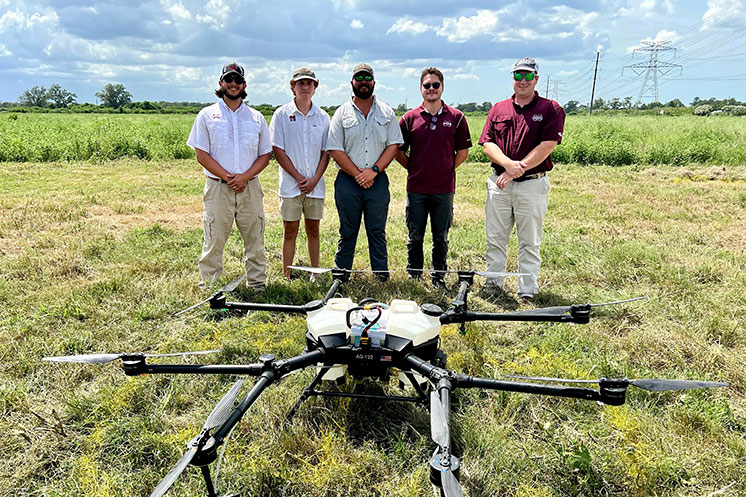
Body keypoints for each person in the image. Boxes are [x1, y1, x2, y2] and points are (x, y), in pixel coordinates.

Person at [478, 57, 565, 300]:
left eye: (528, 76)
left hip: (532, 185)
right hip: (500, 184)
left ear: (537, 79)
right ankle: (493, 286)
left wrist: (519, 168)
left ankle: (527, 289)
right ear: (513, 79)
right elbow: (487, 142)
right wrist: (507, 165)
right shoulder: (499, 109)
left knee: (529, 241)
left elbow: (548, 144)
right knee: (495, 238)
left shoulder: (550, 109)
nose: (523, 80)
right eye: (518, 75)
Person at [186, 62, 271, 291]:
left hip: (250, 187)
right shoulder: (207, 115)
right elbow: (201, 154)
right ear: (220, 83)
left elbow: (265, 155)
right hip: (218, 187)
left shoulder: (256, 117)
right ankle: (210, 286)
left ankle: (257, 285)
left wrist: (244, 177)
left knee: (255, 238)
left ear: (244, 85)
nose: (233, 84)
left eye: (237, 80)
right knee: (214, 238)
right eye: (228, 80)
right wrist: (228, 177)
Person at [326, 63, 403, 281]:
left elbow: (393, 145)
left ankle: (381, 277)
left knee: (377, 232)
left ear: (373, 83)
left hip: (377, 181)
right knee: (347, 231)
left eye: (367, 77)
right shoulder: (341, 113)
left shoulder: (386, 112)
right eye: (358, 77)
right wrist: (358, 174)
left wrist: (374, 171)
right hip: (347, 182)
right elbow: (335, 148)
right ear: (352, 82)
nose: (363, 81)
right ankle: (341, 277)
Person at [396, 67, 472, 288]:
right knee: (415, 235)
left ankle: (438, 276)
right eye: (427, 85)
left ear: (442, 87)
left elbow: (463, 152)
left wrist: (447, 169)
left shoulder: (456, 118)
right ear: (421, 89)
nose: (431, 89)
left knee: (441, 236)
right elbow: (398, 151)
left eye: (435, 85)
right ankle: (414, 275)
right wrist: (414, 168)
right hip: (417, 188)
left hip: (444, 189)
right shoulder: (409, 119)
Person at [269, 67, 330, 280]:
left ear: (315, 87)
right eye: (301, 83)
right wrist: (297, 177)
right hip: (290, 185)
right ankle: (287, 273)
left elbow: (326, 151)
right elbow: (278, 149)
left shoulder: (322, 117)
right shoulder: (282, 114)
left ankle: (315, 272)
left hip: (315, 185)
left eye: (309, 83)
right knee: (290, 230)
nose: (305, 87)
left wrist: (314, 180)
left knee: (313, 229)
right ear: (292, 86)